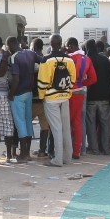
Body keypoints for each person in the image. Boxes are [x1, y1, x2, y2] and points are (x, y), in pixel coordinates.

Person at [36, 35, 76, 168]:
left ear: (51, 43)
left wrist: (42, 96)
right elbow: (73, 80)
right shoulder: (69, 60)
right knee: (66, 128)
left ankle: (57, 160)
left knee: (56, 129)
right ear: (60, 43)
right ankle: (67, 157)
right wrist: (68, 93)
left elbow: (43, 81)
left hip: (51, 98)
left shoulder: (46, 60)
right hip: (65, 97)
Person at [7, 35, 38, 162]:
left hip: (18, 93)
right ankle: (28, 153)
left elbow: (16, 79)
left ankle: (23, 154)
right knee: (27, 121)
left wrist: (11, 93)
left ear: (9, 46)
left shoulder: (14, 57)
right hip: (29, 92)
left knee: (20, 123)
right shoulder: (30, 53)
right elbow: (42, 61)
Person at [84, 39, 110, 156]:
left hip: (90, 98)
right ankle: (106, 148)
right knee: (105, 124)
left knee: (91, 124)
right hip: (104, 97)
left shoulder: (86, 60)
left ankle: (94, 148)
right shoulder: (105, 60)